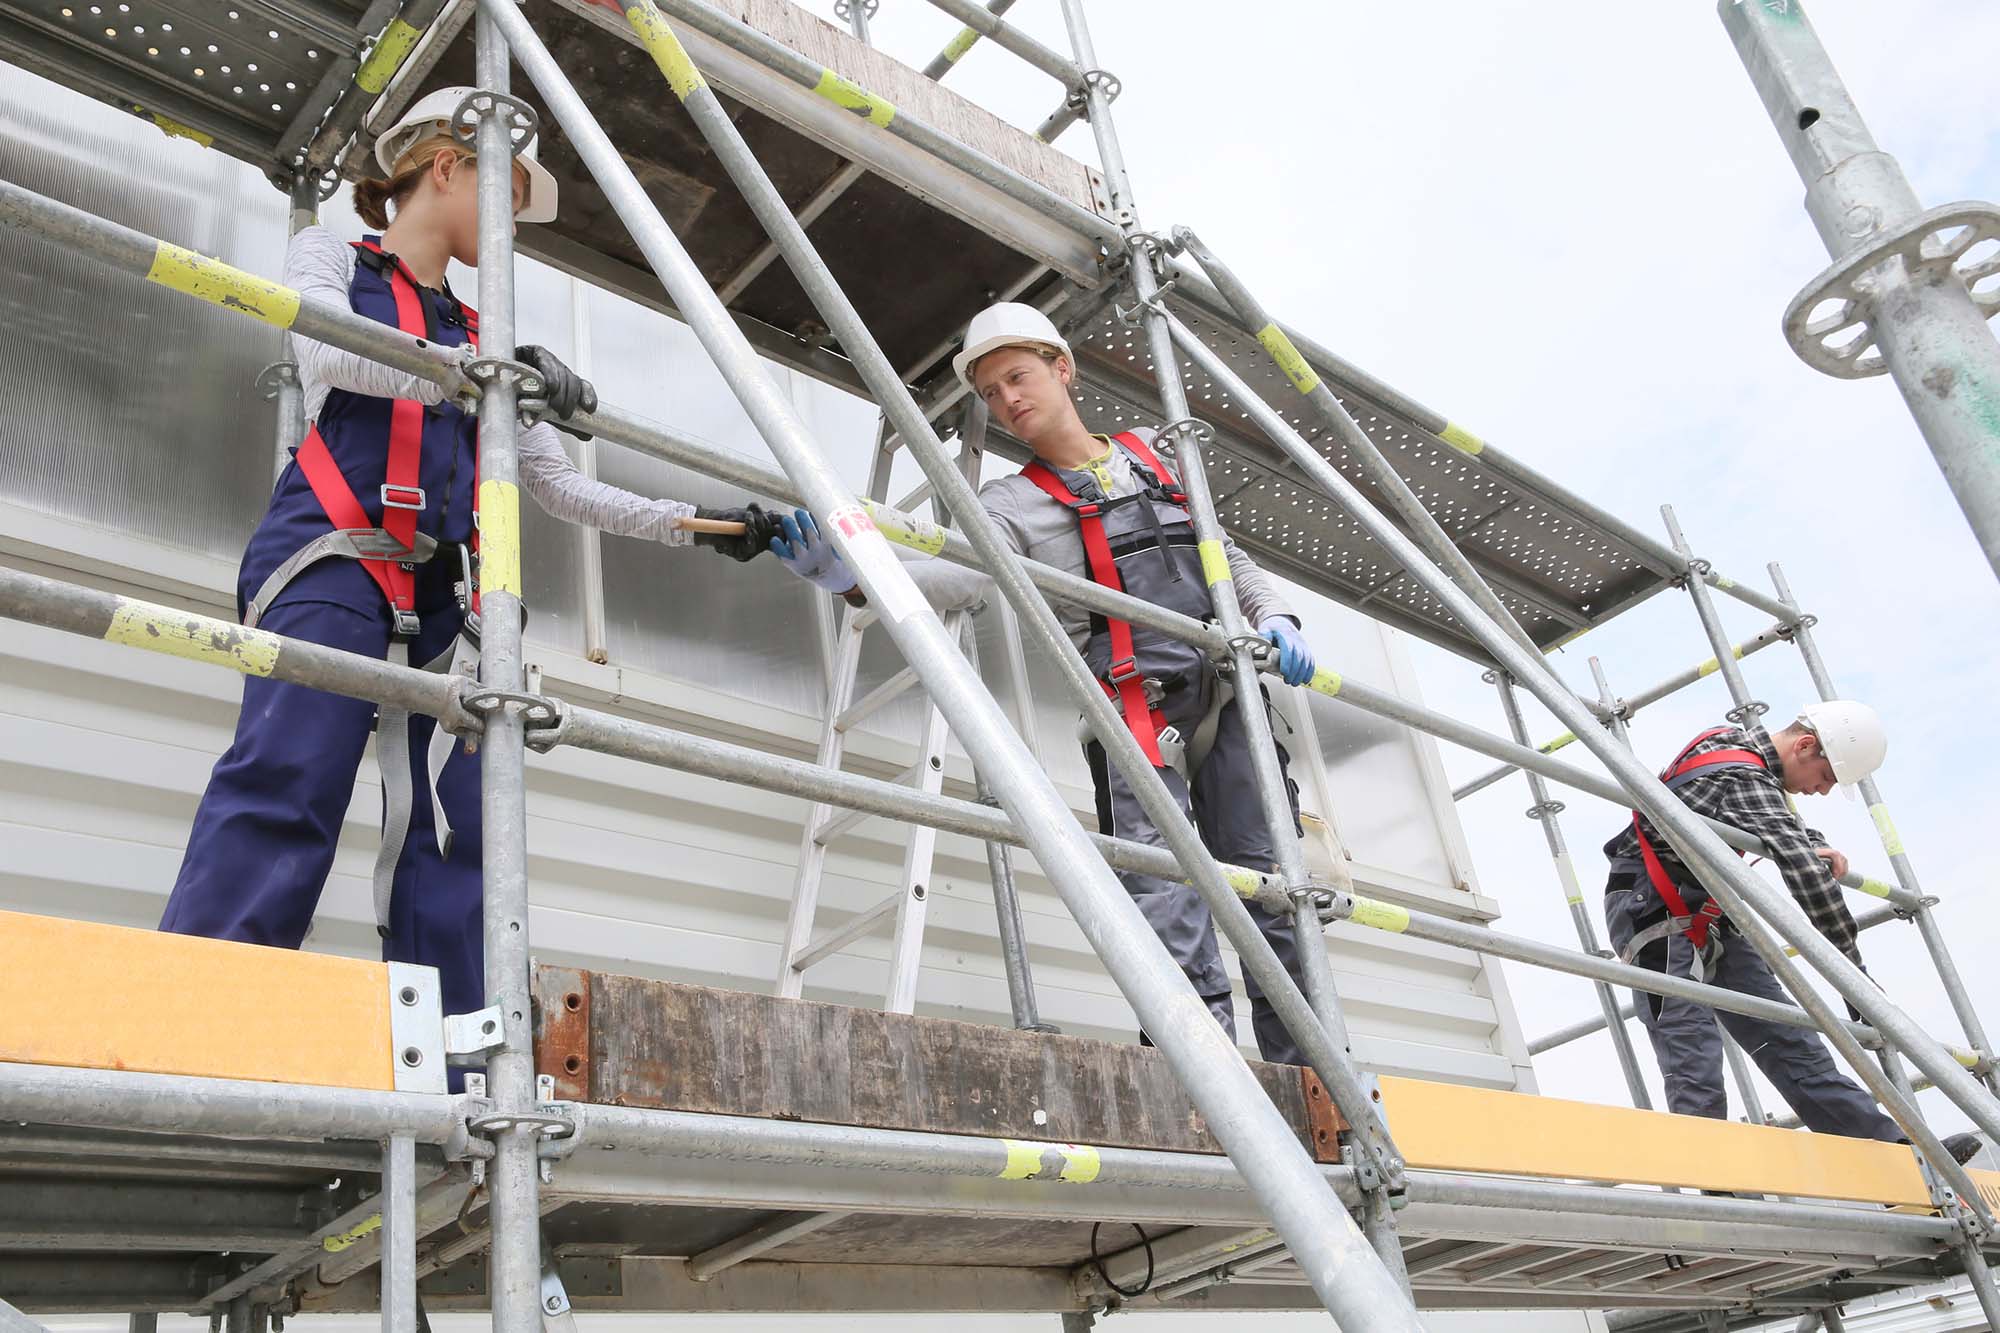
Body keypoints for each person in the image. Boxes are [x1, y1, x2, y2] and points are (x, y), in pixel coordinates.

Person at [159, 87, 776, 1037]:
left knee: (458, 826)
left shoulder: (488, 338)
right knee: (290, 775)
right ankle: (190, 1029)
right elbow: (326, 349)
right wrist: (480, 372)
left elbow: (564, 490)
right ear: (446, 165)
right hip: (332, 559)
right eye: (507, 191)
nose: (511, 228)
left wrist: (710, 525)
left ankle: (448, 1063)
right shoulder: (334, 256)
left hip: (448, 600)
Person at [769, 302, 1319, 1064]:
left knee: (1271, 888)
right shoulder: (1011, 504)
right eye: (991, 392)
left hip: (1230, 696)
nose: (1008, 401)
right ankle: (1199, 1074)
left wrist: (1277, 618)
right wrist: (851, 578)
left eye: (1017, 377)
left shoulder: (1161, 456)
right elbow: (960, 577)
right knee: (1167, 897)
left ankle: (1315, 1078)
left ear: (1062, 368)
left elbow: (1225, 556)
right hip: (1131, 706)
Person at [1602, 701, 1980, 1160]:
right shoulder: (1741, 775)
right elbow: (1809, 884)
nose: (1820, 792)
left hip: (1707, 908)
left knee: (1789, 1037)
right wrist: (1854, 981)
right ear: (1805, 746)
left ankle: (1894, 1156)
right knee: (1690, 1045)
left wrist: (1811, 840)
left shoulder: (1735, 753)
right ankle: (1720, 1185)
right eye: (1824, 779)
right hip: (1651, 906)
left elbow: (1768, 817)